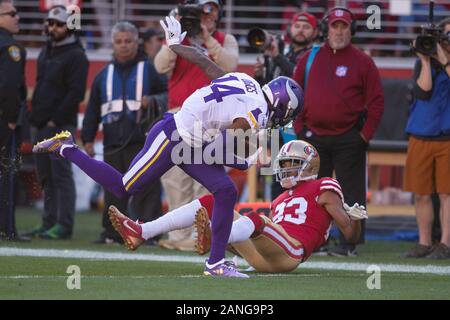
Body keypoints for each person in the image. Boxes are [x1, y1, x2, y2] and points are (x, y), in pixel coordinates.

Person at [32, 15, 304, 278]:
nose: (283, 119)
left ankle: (215, 263)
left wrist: (176, 45)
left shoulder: (247, 82)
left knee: (224, 190)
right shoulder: (257, 111)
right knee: (124, 187)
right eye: (287, 114)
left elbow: (206, 64)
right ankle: (67, 147)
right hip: (174, 136)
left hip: (193, 140)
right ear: (282, 105)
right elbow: (225, 141)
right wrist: (246, 159)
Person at [106, 140, 367, 274]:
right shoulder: (279, 199)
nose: (287, 169)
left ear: (309, 164)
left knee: (257, 219)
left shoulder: (324, 186)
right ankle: (143, 231)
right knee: (214, 201)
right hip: (262, 257)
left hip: (291, 252)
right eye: (284, 164)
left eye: (292, 163)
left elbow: (350, 236)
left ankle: (216, 238)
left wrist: (353, 219)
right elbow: (257, 237)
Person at [292, 7, 384, 257]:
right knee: (313, 191)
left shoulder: (363, 61)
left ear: (351, 30)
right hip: (313, 136)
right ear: (327, 29)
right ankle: (315, 240)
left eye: (344, 26)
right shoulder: (310, 58)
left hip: (348, 137)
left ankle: (349, 243)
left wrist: (364, 135)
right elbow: (293, 92)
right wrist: (300, 129)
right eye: (335, 26)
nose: (339, 31)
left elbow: (376, 101)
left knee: (351, 193)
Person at [154, 0, 239, 252]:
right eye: (201, 10)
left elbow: (229, 66)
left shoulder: (226, 39)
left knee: (207, 177)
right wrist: (176, 37)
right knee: (175, 176)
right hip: (180, 113)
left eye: (211, 9)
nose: (206, 14)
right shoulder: (179, 38)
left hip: (214, 116)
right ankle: (180, 237)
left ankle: (203, 235)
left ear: (218, 14)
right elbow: (160, 66)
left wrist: (206, 38)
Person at [81, 21, 167, 245]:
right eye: (119, 42)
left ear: (136, 41)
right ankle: (112, 233)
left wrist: (155, 101)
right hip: (112, 143)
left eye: (128, 41)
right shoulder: (102, 75)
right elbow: (93, 109)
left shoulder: (150, 69)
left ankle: (149, 233)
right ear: (112, 44)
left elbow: (169, 95)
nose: (124, 46)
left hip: (144, 142)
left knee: (146, 188)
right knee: (112, 190)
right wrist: (88, 139)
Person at [25, 6, 89, 240]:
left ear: (69, 26)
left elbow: (75, 93)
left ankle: (64, 225)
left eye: (59, 24)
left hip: (60, 126)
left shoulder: (76, 55)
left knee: (61, 175)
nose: (53, 28)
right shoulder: (47, 51)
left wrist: (54, 120)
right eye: (50, 23)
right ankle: (48, 222)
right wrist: (36, 120)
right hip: (41, 123)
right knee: (46, 177)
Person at [252, 11, 319, 200]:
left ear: (315, 32)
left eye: (306, 27)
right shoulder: (283, 50)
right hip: (275, 125)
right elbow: (269, 88)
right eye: (297, 26)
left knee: (298, 173)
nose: (300, 31)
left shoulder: (315, 54)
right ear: (290, 28)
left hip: (298, 124)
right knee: (275, 176)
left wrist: (277, 57)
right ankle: (276, 214)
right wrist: (259, 75)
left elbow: (302, 78)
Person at [403, 17, 450, 260]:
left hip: (447, 136)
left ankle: (445, 243)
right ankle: (424, 242)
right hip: (421, 133)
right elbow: (423, 91)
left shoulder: (444, 61)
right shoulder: (423, 63)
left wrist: (444, 59)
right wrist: (424, 58)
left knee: (447, 194)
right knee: (421, 192)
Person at [0, 0, 29, 241]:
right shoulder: (10, 48)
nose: (17, 17)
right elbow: (9, 86)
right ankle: (5, 228)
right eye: (12, 13)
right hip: (3, 121)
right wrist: (11, 119)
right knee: (6, 173)